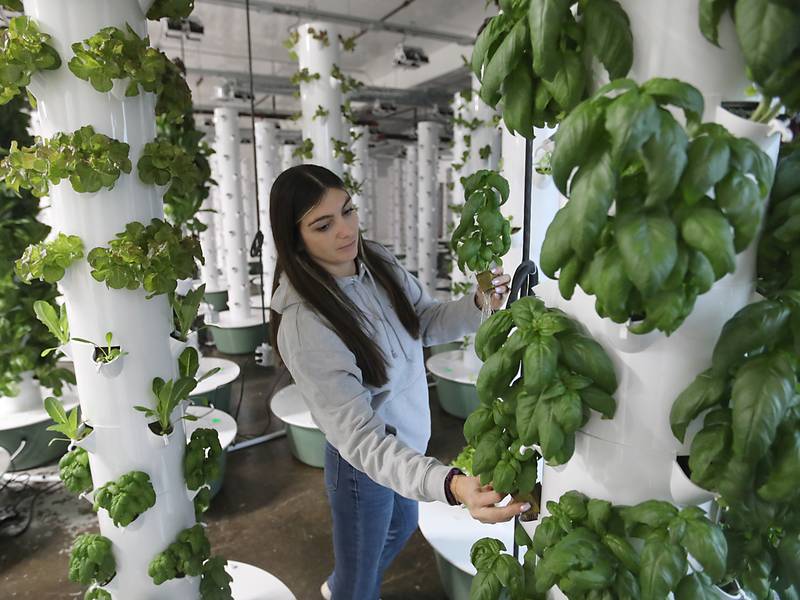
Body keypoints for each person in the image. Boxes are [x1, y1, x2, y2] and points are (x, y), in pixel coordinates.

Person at [268, 164, 528, 600]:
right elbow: (363, 442)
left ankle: (347, 583)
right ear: (295, 239)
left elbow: (423, 321)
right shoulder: (306, 325)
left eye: (347, 211)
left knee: (402, 525)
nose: (345, 230)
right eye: (323, 224)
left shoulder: (376, 261)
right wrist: (453, 484)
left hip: (408, 447)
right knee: (362, 573)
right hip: (362, 465)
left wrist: (480, 302)